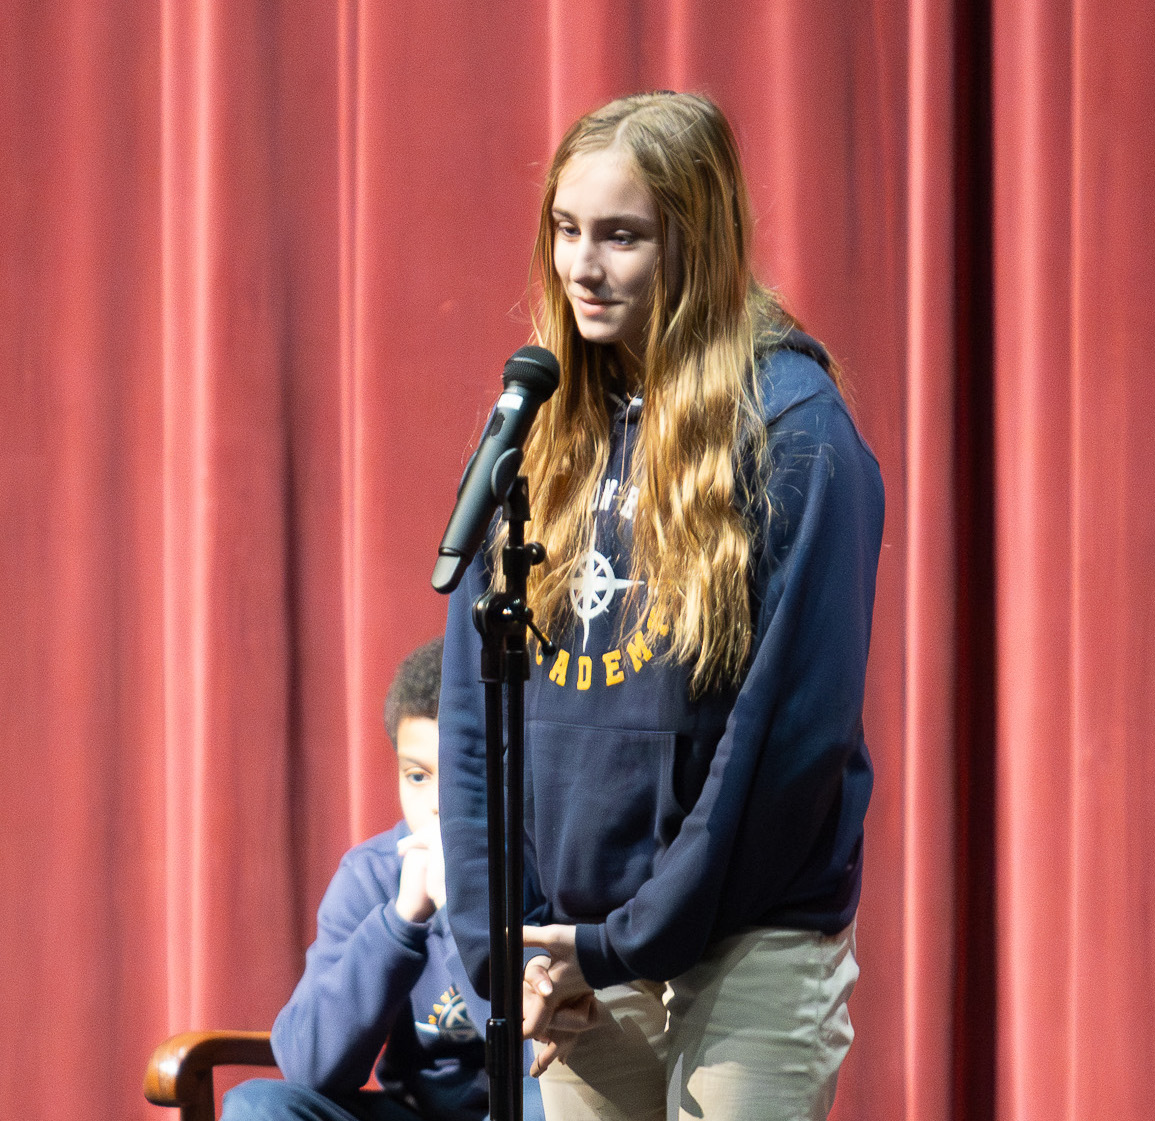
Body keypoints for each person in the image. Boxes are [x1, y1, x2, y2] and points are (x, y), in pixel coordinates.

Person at [438, 91, 884, 1121]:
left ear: (699, 241)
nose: (583, 266)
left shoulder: (796, 433)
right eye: (566, 230)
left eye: (622, 237)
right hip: (576, 955)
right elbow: (476, 714)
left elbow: (782, 741)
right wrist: (506, 947)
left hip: (744, 948)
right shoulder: (539, 428)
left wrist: (631, 937)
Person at [222, 638, 544, 1121]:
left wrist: (465, 915)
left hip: (523, 1108)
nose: (437, 802)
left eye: (459, 777)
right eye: (418, 776)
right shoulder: (371, 875)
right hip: (411, 1112)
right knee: (257, 1106)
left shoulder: (545, 869)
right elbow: (310, 1067)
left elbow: (538, 1060)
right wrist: (399, 924)